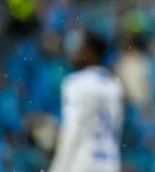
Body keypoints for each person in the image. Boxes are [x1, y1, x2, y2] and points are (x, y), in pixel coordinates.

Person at [47, 31, 124, 172]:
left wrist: (58, 167)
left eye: (78, 47)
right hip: (109, 164)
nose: (73, 52)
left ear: (90, 51)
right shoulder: (114, 85)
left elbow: (73, 127)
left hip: (82, 163)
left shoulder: (76, 83)